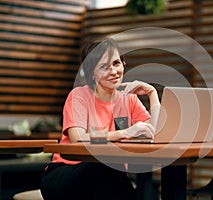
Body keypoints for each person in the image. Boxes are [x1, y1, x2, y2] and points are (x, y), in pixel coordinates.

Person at [40, 38, 160, 200]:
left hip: (108, 178)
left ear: (124, 64)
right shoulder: (79, 96)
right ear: (92, 74)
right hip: (66, 174)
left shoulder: (129, 99)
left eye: (116, 63)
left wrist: (152, 94)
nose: (113, 71)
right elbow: (78, 138)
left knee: (135, 186)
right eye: (104, 67)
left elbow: (155, 134)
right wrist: (124, 133)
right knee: (111, 167)